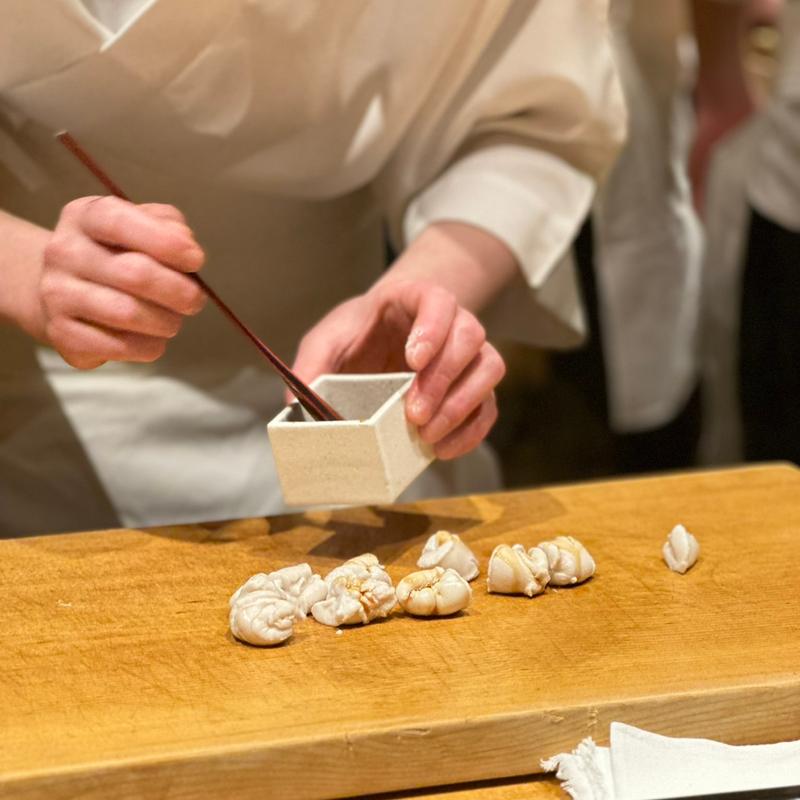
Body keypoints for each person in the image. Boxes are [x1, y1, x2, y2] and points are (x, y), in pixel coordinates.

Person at [0, 0, 624, 536]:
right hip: (36, 439)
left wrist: (428, 290)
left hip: (359, 403)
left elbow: (528, 117)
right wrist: (25, 266)